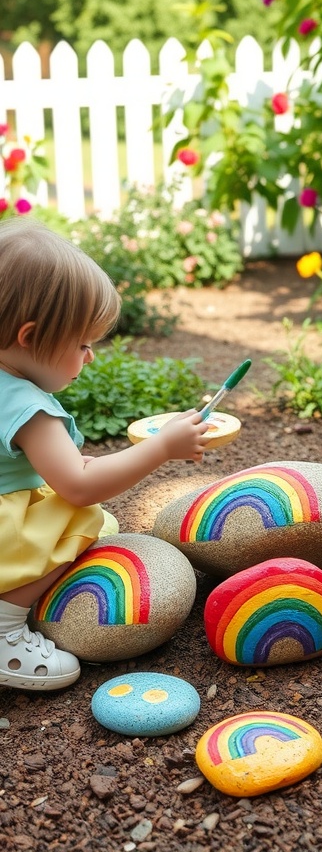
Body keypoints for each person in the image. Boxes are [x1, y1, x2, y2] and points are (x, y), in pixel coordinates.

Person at [0, 219, 209, 691]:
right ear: (30, 337)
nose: (90, 356)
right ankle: (6, 626)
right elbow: (79, 486)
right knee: (84, 517)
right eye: (82, 344)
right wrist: (161, 448)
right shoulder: (29, 408)